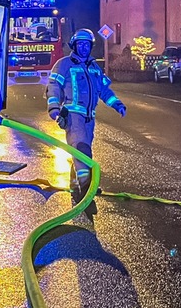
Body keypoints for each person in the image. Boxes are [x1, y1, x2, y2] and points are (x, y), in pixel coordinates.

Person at [46, 28, 127, 208]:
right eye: (80, 44)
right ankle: (86, 190)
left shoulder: (94, 67)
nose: (83, 47)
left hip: (89, 117)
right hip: (73, 115)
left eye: (86, 44)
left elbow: (104, 90)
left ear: (91, 46)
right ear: (74, 45)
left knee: (82, 149)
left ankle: (75, 183)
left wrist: (117, 104)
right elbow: (53, 86)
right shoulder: (64, 64)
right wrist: (54, 108)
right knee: (81, 148)